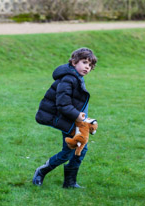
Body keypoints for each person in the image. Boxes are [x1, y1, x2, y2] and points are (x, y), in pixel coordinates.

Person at [33, 47, 97, 188]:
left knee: (81, 148)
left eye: (90, 65)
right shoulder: (68, 79)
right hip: (67, 119)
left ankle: (70, 182)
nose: (87, 67)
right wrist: (77, 116)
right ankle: (42, 171)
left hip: (76, 121)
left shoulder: (77, 77)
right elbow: (62, 104)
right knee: (68, 152)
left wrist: (84, 119)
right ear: (74, 62)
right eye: (84, 62)